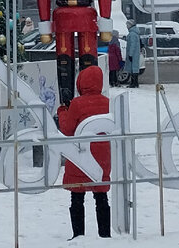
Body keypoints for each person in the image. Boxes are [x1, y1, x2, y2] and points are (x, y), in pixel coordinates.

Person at [59, 64, 112, 239]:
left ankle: (78, 235)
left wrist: (63, 111)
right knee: (101, 195)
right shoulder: (107, 102)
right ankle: (104, 234)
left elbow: (67, 129)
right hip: (102, 156)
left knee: (77, 196)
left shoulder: (77, 103)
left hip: (81, 155)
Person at [123, 23, 141, 88]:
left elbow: (132, 45)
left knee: (133, 68)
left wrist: (130, 54)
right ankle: (135, 83)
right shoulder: (135, 33)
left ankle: (134, 83)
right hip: (135, 54)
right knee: (134, 68)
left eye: (127, 25)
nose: (126, 26)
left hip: (133, 54)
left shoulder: (132, 34)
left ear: (130, 25)